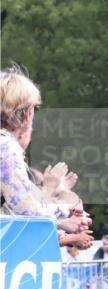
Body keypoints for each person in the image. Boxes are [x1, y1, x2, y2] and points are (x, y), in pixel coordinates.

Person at [1, 67, 93, 247]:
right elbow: (25, 210)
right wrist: (66, 209)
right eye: (34, 107)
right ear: (25, 112)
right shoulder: (6, 147)